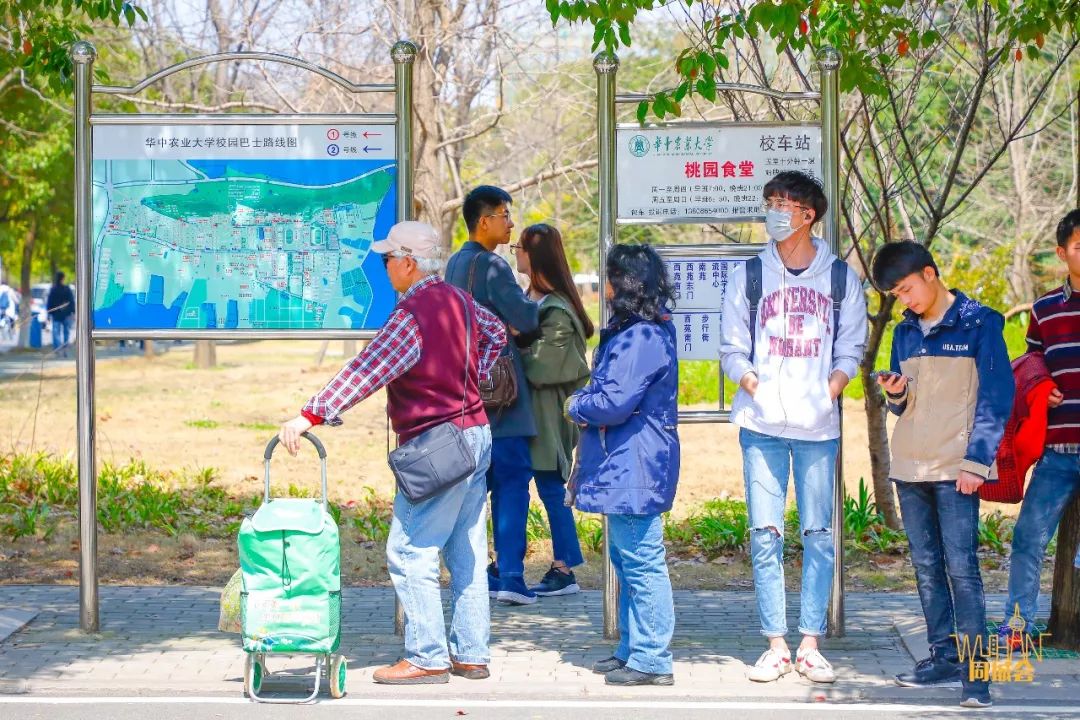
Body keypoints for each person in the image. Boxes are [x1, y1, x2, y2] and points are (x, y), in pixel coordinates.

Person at [278, 221, 507, 684]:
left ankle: (427, 655)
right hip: (476, 433)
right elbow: (497, 332)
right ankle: (471, 653)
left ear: (407, 262)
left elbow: (368, 369)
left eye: (387, 259)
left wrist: (311, 415)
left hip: (437, 443)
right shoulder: (460, 300)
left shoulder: (412, 315)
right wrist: (474, 378)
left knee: (409, 550)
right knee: (465, 551)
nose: (383, 267)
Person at [719, 170, 867, 684]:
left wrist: (825, 394)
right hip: (760, 426)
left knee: (819, 534)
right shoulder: (750, 276)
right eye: (770, 202)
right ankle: (775, 644)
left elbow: (851, 349)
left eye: (782, 203)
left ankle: (809, 643)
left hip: (818, 430)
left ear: (808, 215)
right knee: (764, 534)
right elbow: (732, 349)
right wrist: (756, 386)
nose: (773, 211)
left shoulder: (841, 278)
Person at [871, 240, 1013, 709]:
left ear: (931, 273)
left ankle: (977, 676)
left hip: (957, 469)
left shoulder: (981, 324)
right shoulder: (904, 333)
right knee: (927, 569)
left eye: (907, 288)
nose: (905, 300)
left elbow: (996, 399)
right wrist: (894, 393)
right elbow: (902, 406)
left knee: (962, 571)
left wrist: (976, 463)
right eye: (896, 294)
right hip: (911, 465)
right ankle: (941, 659)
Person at [569, 243, 680, 687]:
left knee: (642, 560)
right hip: (627, 460)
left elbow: (614, 401)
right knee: (627, 556)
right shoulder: (640, 331)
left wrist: (577, 404)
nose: (605, 287)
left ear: (625, 284)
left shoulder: (642, 337)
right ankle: (633, 648)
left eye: (610, 278)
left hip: (635, 462)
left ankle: (652, 658)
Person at [446, 185, 541, 606]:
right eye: (505, 215)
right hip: (502, 396)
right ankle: (511, 575)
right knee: (512, 481)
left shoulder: (454, 264)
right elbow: (527, 320)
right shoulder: (494, 267)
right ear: (484, 220)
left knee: (473, 489)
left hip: (464, 392)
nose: (510, 222)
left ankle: (474, 572)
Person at [1000, 209, 1080, 649]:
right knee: (1028, 538)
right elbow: (1030, 367)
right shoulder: (1046, 309)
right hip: (1059, 449)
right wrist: (1040, 390)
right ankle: (1017, 626)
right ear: (1062, 252)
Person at [512, 223, 592, 596]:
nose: (515, 251)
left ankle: (563, 569)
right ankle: (534, 566)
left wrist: (513, 349)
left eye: (521, 247)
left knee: (549, 487)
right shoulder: (535, 300)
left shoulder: (557, 309)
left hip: (547, 416)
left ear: (536, 255)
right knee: (529, 487)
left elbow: (542, 367)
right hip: (529, 413)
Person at [47, 272, 75, 356]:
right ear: (63, 278)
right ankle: (65, 348)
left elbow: (49, 302)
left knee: (56, 333)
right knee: (66, 332)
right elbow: (71, 302)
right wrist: (73, 312)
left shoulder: (53, 289)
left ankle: (59, 348)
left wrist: (49, 312)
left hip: (56, 315)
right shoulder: (67, 289)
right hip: (66, 314)